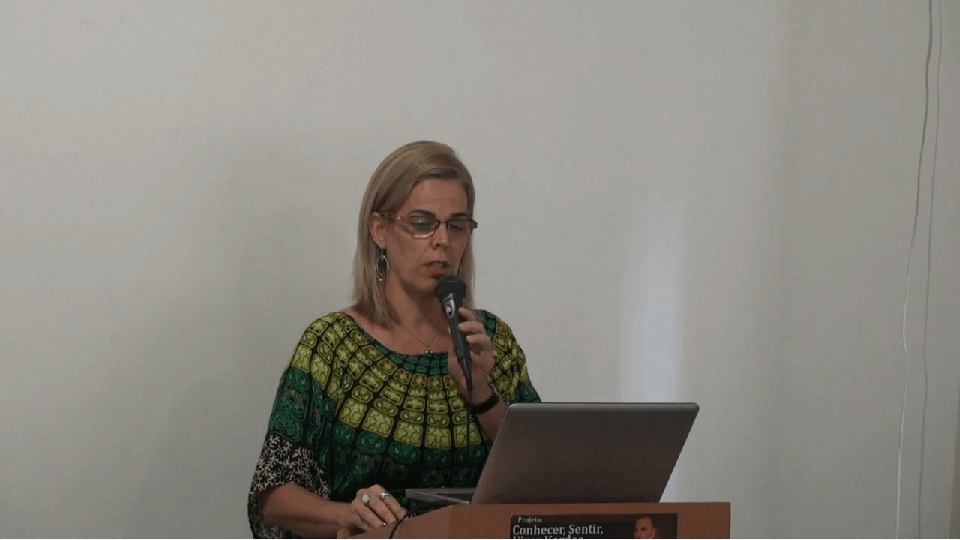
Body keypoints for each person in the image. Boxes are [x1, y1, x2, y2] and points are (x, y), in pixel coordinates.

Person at [247, 141, 541, 538]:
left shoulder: (491, 341)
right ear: (380, 230)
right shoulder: (332, 345)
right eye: (422, 223)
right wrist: (348, 516)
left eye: (456, 225)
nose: (442, 240)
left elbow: (543, 477)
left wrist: (482, 393)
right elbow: (274, 496)